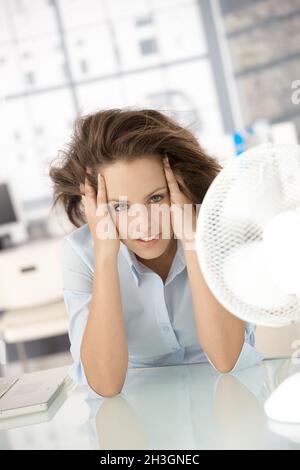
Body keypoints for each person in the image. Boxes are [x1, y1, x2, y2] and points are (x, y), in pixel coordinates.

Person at [49, 108, 263, 398]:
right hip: (137, 406)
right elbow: (105, 384)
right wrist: (105, 257)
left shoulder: (214, 229)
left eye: (156, 198)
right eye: (120, 206)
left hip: (230, 399)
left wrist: (192, 241)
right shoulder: (81, 254)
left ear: (181, 186)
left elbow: (227, 360)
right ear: (95, 205)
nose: (145, 224)